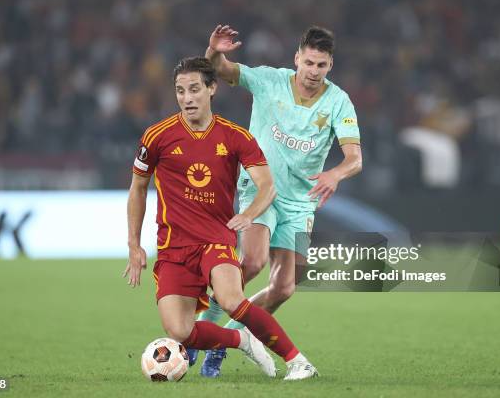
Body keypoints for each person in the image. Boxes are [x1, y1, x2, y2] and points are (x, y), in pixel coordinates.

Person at [123, 56, 318, 381]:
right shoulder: (156, 136)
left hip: (215, 240)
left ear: (212, 89)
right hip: (173, 247)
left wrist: (249, 214)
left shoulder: (235, 137)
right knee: (181, 331)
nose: (187, 98)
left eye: (195, 89)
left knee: (230, 299)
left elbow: (267, 186)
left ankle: (298, 361)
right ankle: (240, 339)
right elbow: (138, 188)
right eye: (180, 91)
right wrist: (133, 244)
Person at [193, 25, 363, 377]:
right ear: (297, 58)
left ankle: (229, 339)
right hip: (261, 188)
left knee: (285, 287)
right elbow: (219, 70)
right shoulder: (269, 80)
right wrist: (214, 51)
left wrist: (335, 174)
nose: (314, 71)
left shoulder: (338, 101)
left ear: (330, 66)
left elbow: (355, 158)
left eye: (322, 65)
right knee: (252, 262)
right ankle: (202, 328)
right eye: (310, 62)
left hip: (301, 203)